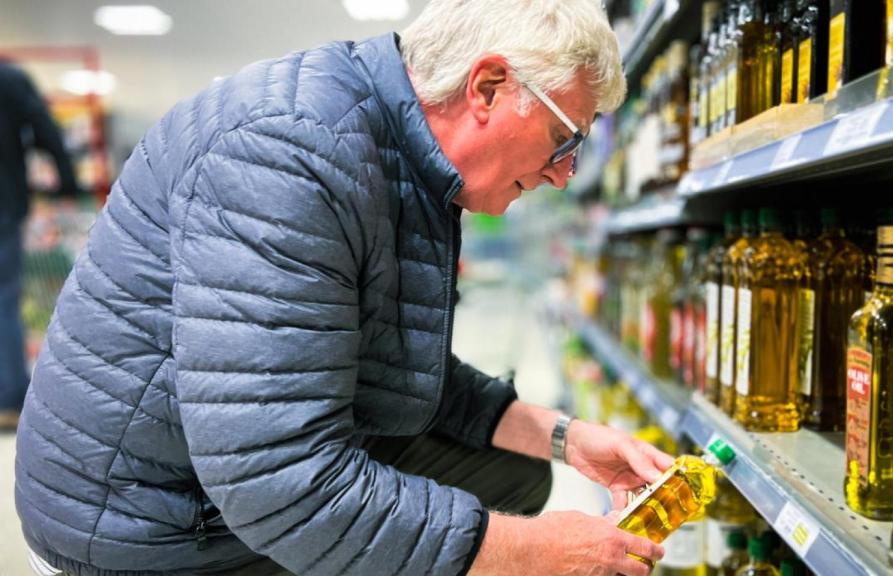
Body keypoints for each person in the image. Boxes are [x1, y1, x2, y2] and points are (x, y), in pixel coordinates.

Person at [15, 1, 675, 575]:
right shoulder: (290, 155)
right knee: (499, 536)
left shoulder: (399, 154)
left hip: (215, 469)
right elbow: (279, 484)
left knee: (515, 472)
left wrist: (567, 437)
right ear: (489, 87)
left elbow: (396, 368)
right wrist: (532, 555)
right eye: (565, 138)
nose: (566, 174)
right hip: (145, 520)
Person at [0, 59, 80, 431]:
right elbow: (45, 129)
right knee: (3, 301)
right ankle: (8, 399)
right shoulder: (9, 78)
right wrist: (66, 181)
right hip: (3, 205)